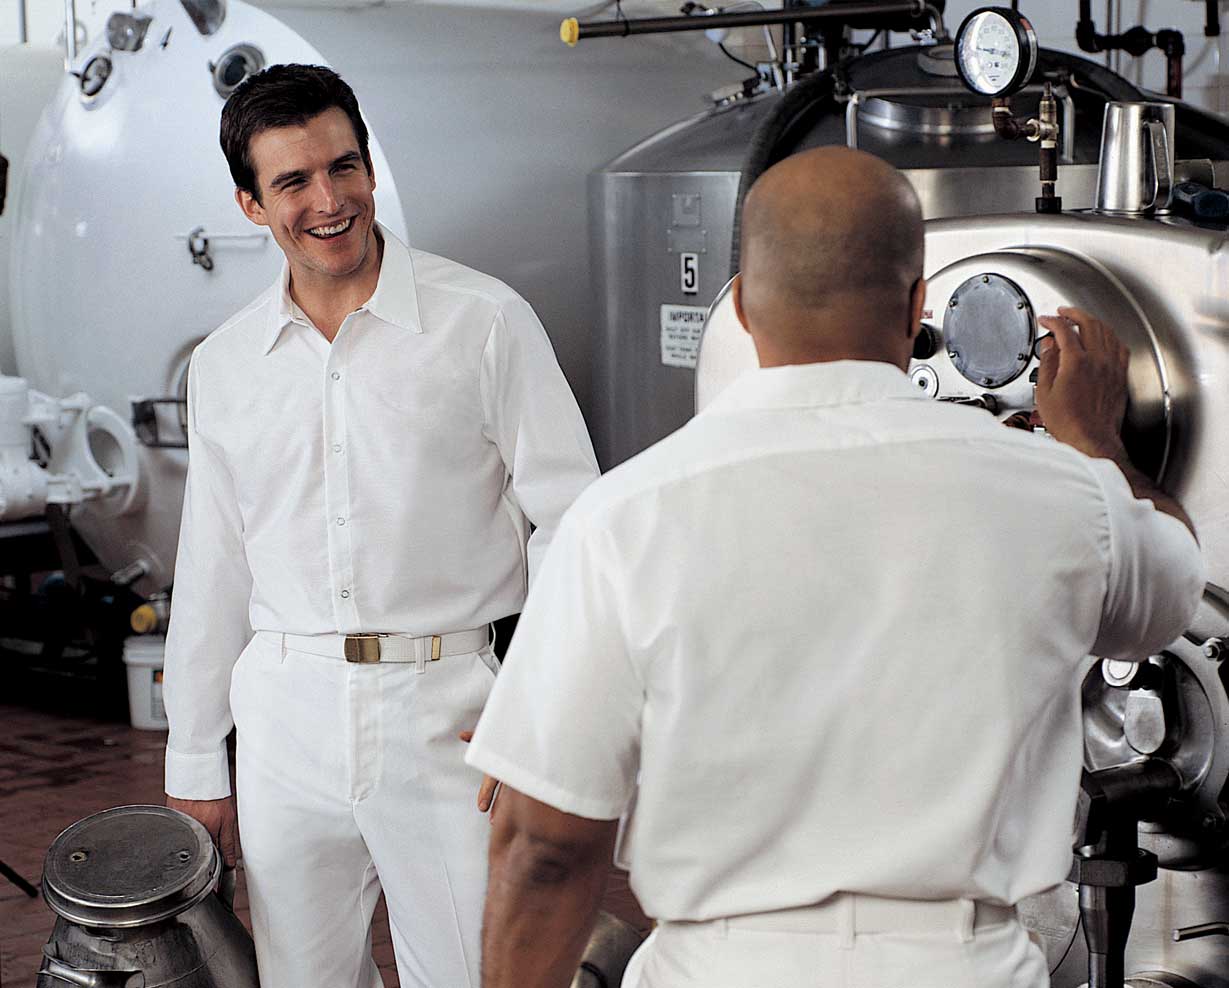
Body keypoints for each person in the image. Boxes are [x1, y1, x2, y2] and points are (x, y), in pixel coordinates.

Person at [463, 146, 1205, 988]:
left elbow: (545, 847)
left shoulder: (624, 517)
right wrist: (1097, 444)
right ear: (915, 306)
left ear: (738, 309)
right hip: (965, 967)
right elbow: (1173, 585)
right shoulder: (1064, 497)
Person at [161, 64, 599, 988]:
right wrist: (197, 755)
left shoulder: (482, 322)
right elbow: (214, 567)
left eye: (344, 167)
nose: (329, 200)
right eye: (293, 182)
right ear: (250, 205)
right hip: (284, 719)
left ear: (368, 166)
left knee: (480, 976)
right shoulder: (227, 363)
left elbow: (574, 524)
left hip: (452, 712)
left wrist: (533, 709)